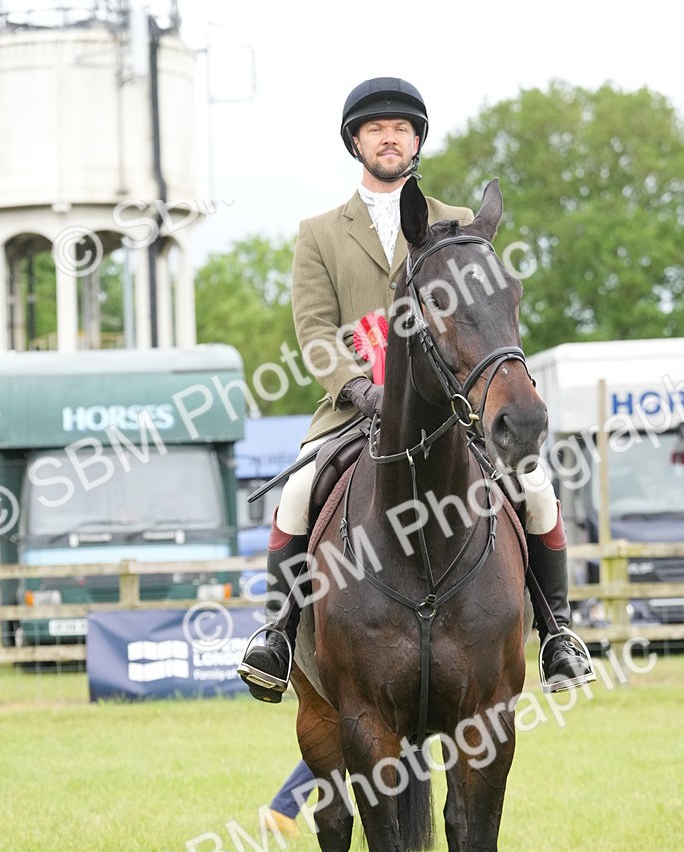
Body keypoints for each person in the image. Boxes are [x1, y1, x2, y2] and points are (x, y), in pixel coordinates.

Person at [238, 76, 594, 702]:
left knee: (535, 487)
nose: (389, 138)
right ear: (356, 142)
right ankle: (277, 630)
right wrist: (354, 388)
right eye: (376, 130)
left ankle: (558, 631)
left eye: (400, 129)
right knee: (296, 491)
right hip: (355, 411)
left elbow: (484, 313)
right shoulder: (320, 232)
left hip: (451, 406)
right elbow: (316, 331)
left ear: (417, 140)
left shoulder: (458, 224)